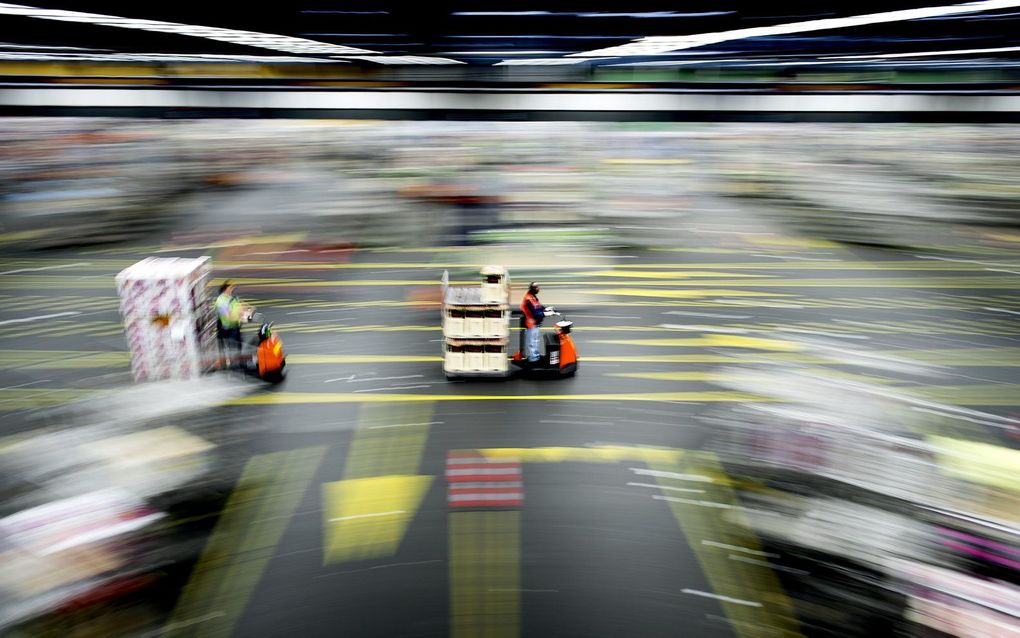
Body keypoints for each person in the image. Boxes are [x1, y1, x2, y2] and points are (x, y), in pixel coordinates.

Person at [215, 281, 247, 363]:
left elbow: (240, 309)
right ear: (225, 289)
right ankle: (233, 365)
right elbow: (228, 316)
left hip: (235, 327)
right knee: (232, 349)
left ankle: (238, 363)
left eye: (233, 288)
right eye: (231, 288)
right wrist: (240, 315)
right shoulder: (221, 301)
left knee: (238, 348)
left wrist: (244, 312)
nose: (232, 290)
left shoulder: (233, 298)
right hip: (227, 329)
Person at [520, 282, 551, 363]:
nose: (538, 289)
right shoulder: (529, 299)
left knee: (535, 341)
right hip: (531, 324)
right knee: (532, 343)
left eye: (538, 287)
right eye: (536, 288)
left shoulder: (533, 297)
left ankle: (536, 356)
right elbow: (536, 314)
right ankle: (533, 359)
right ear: (532, 289)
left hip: (535, 324)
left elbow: (539, 306)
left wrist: (546, 309)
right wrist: (546, 313)